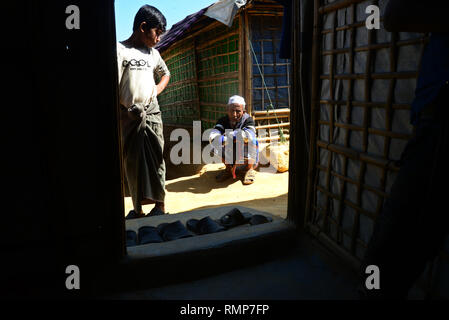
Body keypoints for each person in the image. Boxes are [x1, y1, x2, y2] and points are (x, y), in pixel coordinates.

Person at [358, 0, 449, 299]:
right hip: (436, 115)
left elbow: (396, 14)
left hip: (439, 116)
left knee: (400, 231)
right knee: (410, 231)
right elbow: (395, 15)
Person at [117, 5, 170, 219]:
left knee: (157, 158)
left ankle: (160, 206)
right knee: (132, 160)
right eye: (156, 33)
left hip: (152, 113)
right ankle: (137, 209)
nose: (158, 38)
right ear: (142, 27)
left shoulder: (154, 54)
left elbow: (165, 74)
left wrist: (155, 90)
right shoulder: (120, 50)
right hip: (127, 115)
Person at [209, 95, 259, 185]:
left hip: (243, 149)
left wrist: (227, 138)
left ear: (244, 111)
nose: (234, 114)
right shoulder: (222, 121)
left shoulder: (248, 120)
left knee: (252, 141)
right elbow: (213, 136)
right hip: (232, 148)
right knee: (216, 145)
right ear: (227, 110)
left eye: (238, 111)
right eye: (232, 111)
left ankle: (249, 169)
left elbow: (249, 135)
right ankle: (229, 169)